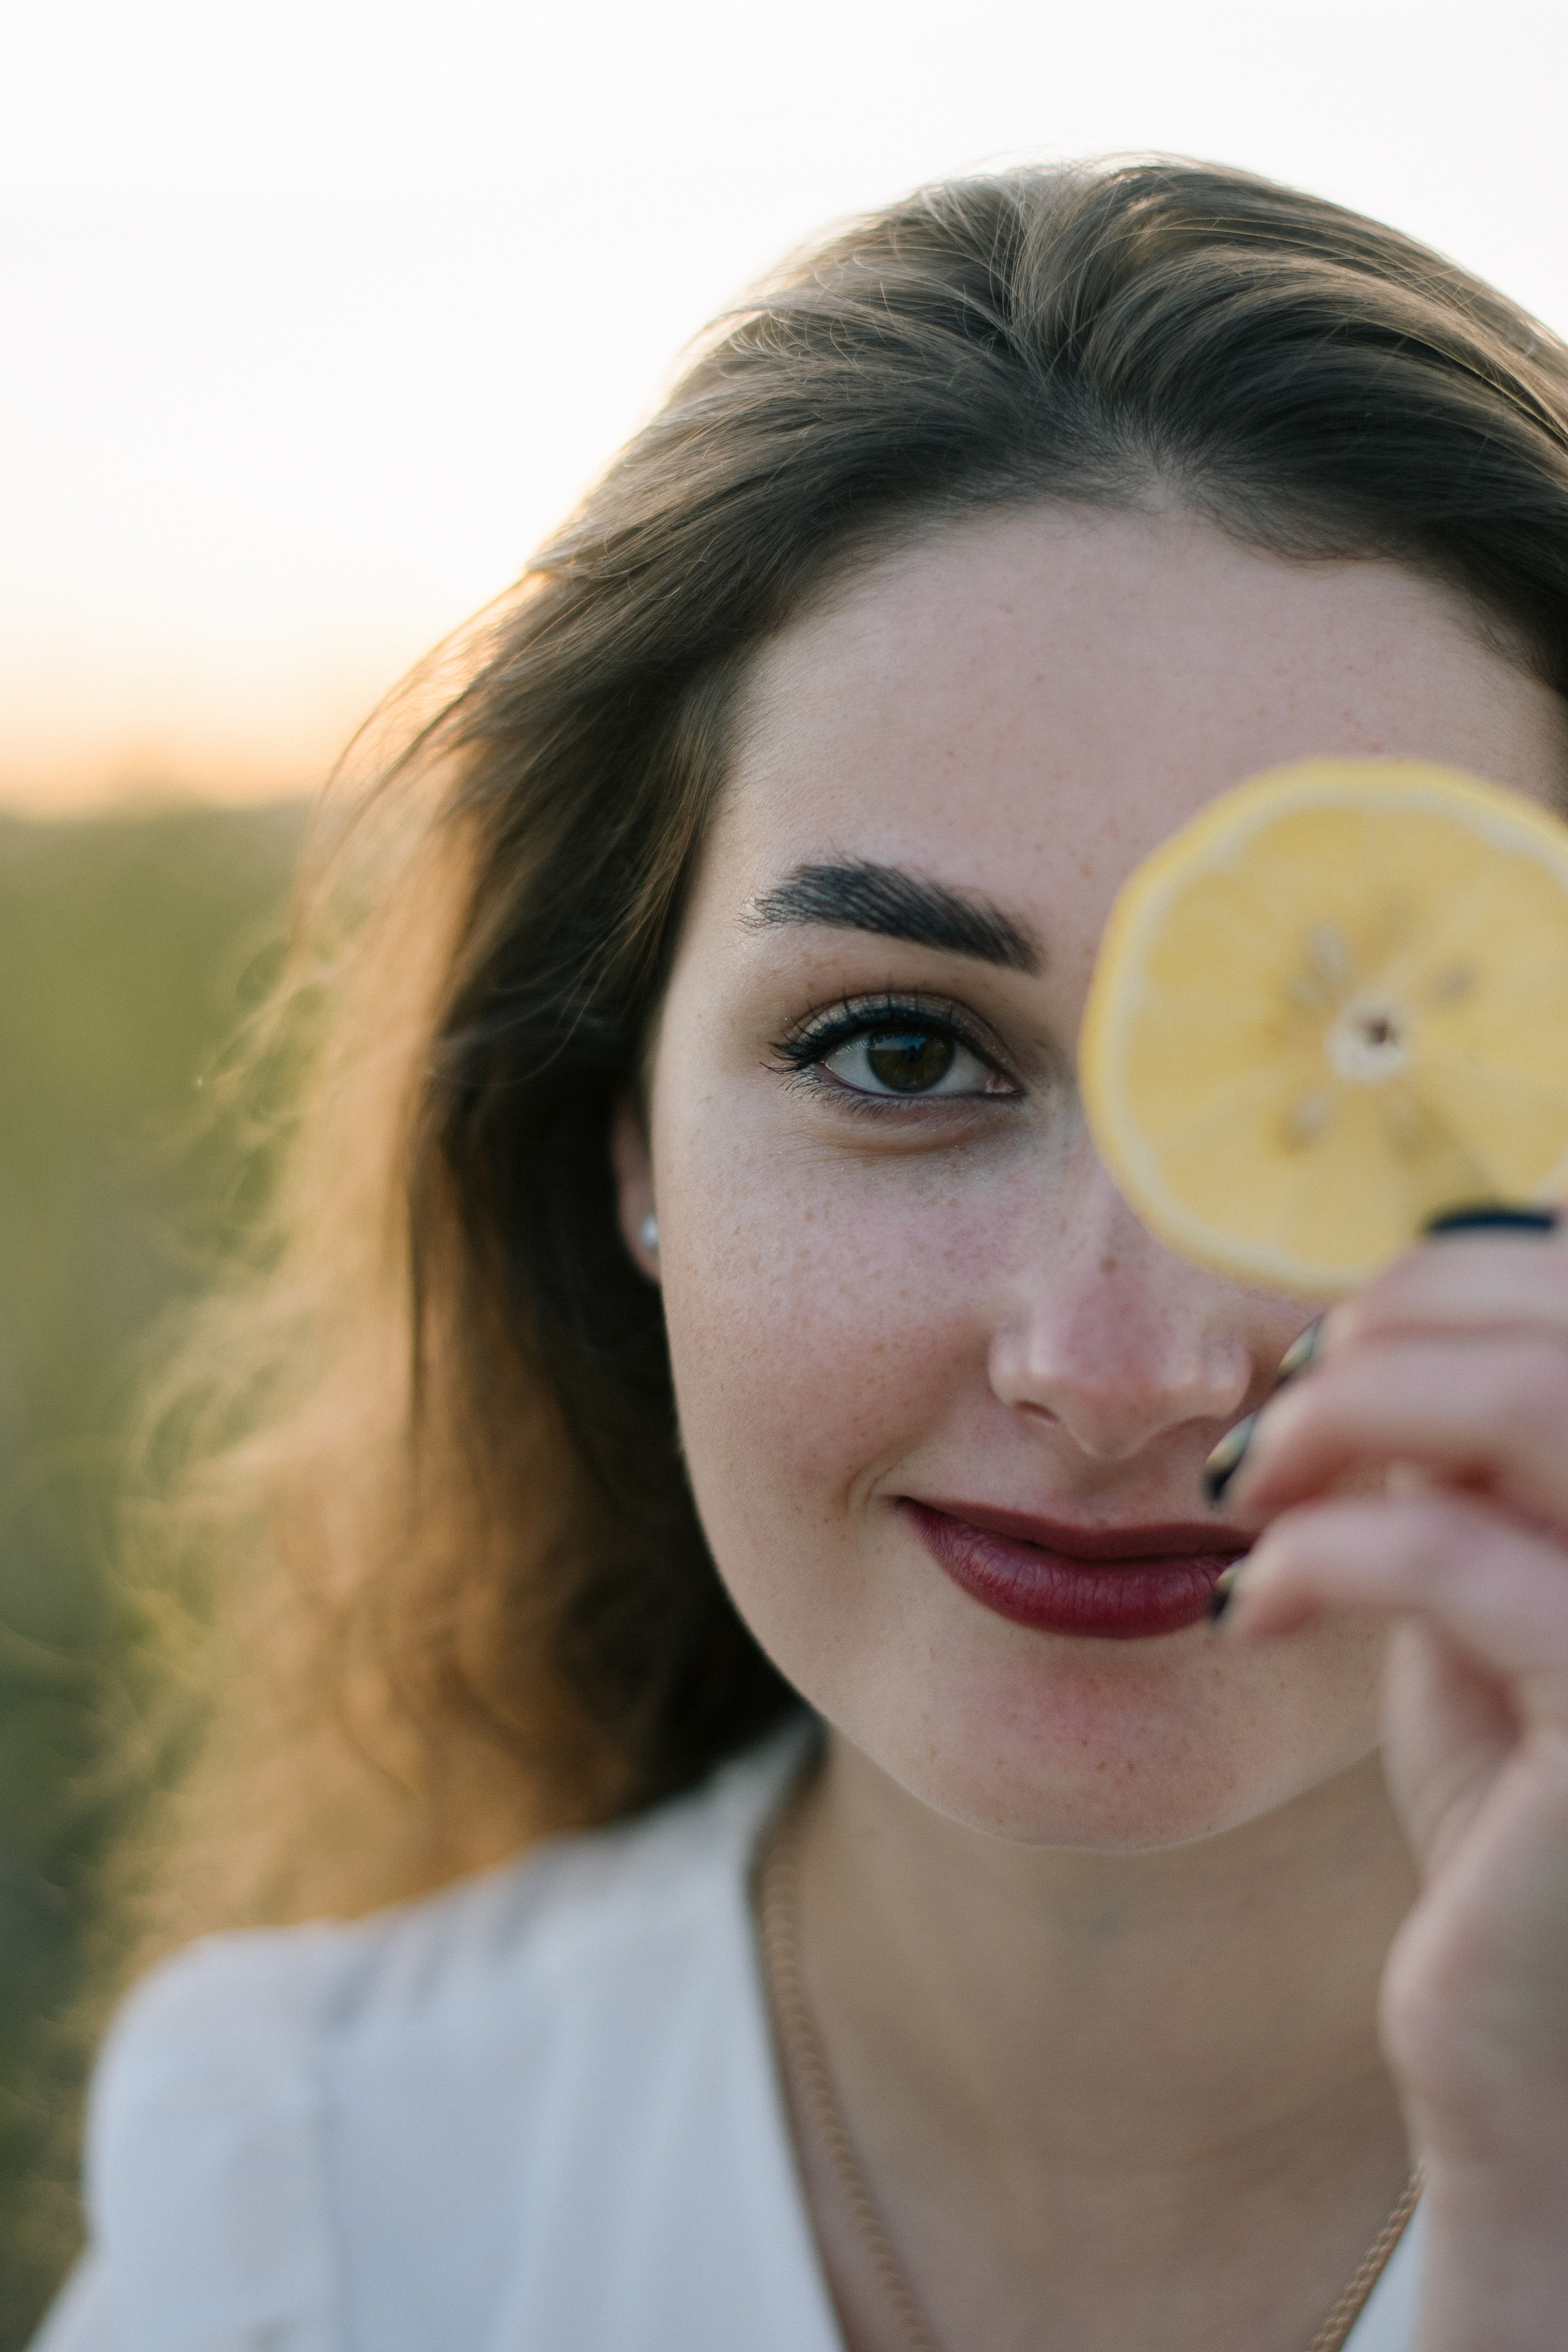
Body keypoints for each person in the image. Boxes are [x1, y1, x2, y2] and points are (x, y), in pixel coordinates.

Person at [34, 159, 1568, 2352]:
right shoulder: (323, 2201)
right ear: (631, 1137)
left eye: (1382, 1063)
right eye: (902, 1046)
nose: (1116, 1362)